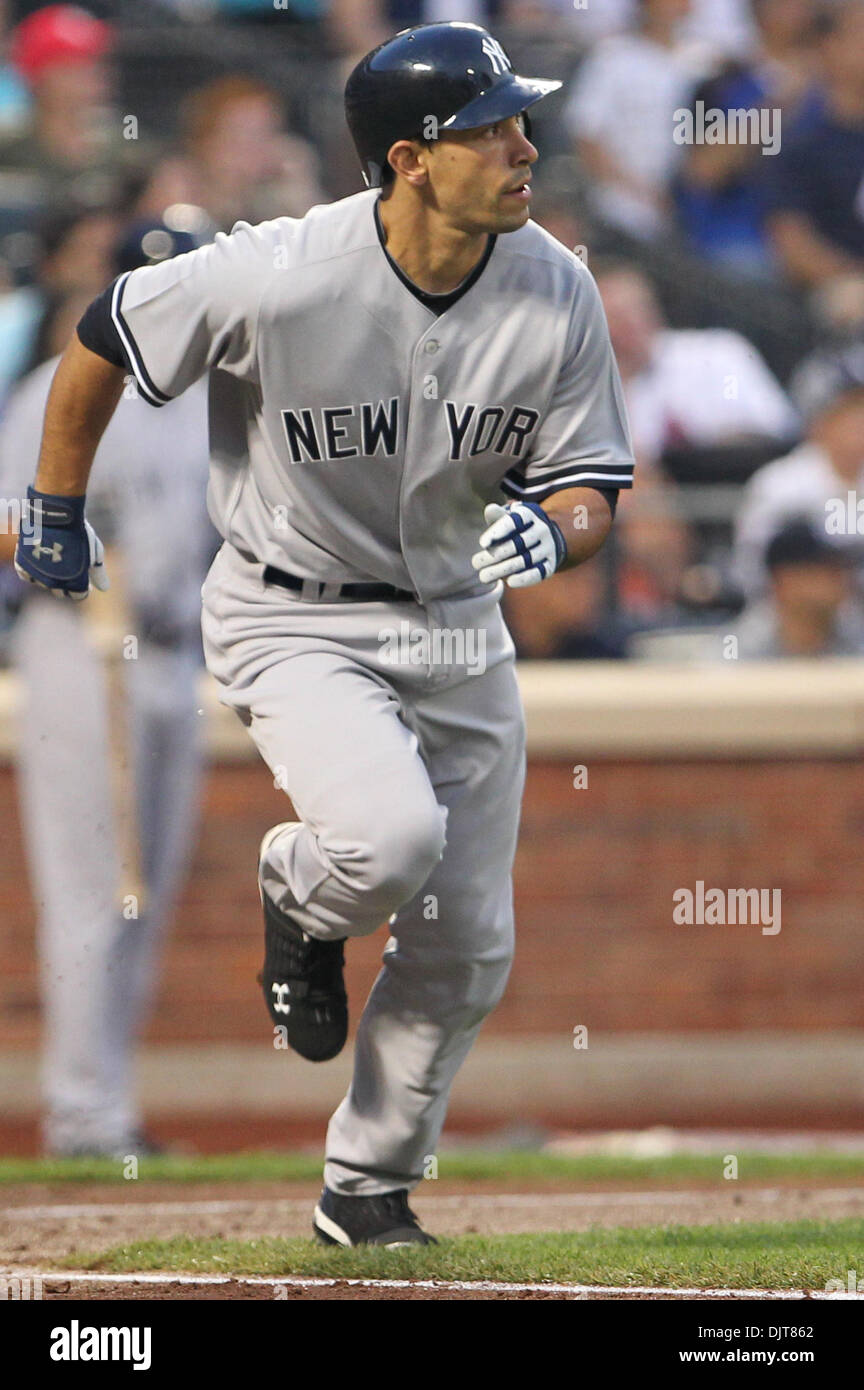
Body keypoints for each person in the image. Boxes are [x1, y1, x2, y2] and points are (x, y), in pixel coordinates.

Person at [13, 22, 634, 1241]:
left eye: (522, 120)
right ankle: (299, 894)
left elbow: (593, 484)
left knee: (471, 942)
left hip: (457, 620)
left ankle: (368, 1182)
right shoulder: (278, 267)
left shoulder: (557, 284)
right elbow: (102, 337)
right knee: (385, 838)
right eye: (493, 129)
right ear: (410, 159)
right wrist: (51, 502)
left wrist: (559, 535)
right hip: (295, 610)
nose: (526, 146)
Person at [0, 221, 214, 1157]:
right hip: (83, 644)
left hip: (175, 651)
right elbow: (6, 527)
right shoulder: (59, 386)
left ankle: (108, 1106)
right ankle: (81, 1112)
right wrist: (81, 553)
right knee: (91, 884)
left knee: (148, 891)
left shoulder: (219, 401)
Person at [733, 346, 864, 596]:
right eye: (850, 414)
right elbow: (751, 570)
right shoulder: (781, 484)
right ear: (822, 421)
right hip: (790, 619)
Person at [726, 518, 864, 658]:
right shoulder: (738, 652)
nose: (843, 578)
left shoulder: (855, 639)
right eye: (829, 569)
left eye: (844, 567)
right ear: (783, 581)